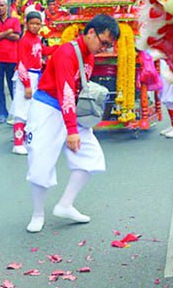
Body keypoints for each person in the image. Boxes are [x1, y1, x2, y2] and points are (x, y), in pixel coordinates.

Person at [25, 15, 119, 234]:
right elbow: (65, 92)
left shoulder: (90, 56)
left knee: (92, 156)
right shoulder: (67, 52)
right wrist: (72, 131)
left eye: (108, 45)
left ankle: (65, 204)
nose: (103, 48)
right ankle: (37, 213)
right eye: (103, 42)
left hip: (68, 110)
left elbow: (75, 92)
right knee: (40, 161)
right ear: (91, 33)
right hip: (47, 108)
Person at [10, 12, 50, 155]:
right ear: (26, 24)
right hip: (26, 77)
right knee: (21, 110)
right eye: (32, 23)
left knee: (31, 110)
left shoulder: (37, 39)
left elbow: (43, 51)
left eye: (38, 24)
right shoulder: (24, 40)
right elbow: (21, 64)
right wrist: (26, 84)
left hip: (36, 76)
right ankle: (18, 142)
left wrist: (57, 48)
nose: (35, 26)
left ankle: (27, 140)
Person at [0, 0, 21, 122]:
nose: (0, 8)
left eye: (2, 5)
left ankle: (15, 113)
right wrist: (7, 32)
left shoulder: (15, 20)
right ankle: (1, 113)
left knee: (14, 87)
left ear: (7, 6)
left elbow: (16, 37)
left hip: (12, 58)